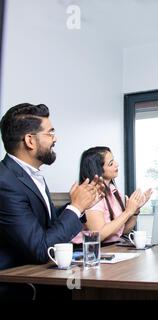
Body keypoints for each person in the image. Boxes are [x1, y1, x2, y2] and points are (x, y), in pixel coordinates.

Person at [0, 103, 104, 297]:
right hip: (20, 286)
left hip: (40, 277)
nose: (55, 139)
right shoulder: (4, 182)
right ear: (30, 141)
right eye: (50, 133)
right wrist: (75, 206)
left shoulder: (29, 175)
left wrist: (81, 205)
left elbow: (43, 226)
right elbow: (41, 249)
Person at [72, 147, 153, 245]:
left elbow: (123, 231)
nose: (117, 164)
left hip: (112, 247)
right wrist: (128, 212)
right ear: (98, 170)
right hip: (93, 250)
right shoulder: (91, 194)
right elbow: (98, 234)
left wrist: (135, 210)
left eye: (113, 160)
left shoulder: (112, 191)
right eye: (111, 163)